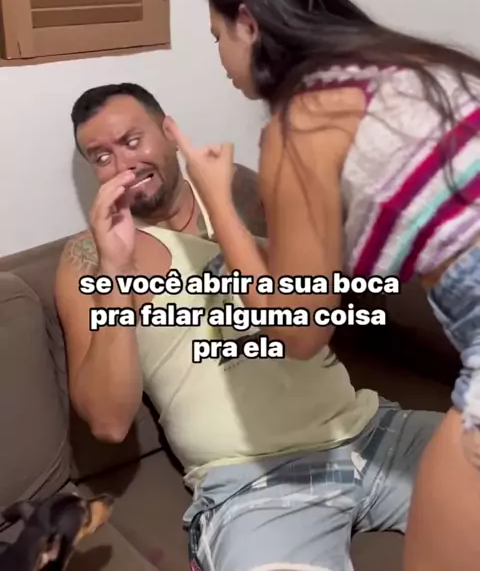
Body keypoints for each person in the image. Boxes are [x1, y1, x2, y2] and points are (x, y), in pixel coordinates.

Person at [165, 0, 480, 571]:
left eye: (217, 36)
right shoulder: (412, 66)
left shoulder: (302, 120)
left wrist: (218, 199)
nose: (220, 58)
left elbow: (301, 330)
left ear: (248, 24)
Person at [54, 82, 440, 571]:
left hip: (371, 431)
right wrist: (115, 270)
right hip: (253, 484)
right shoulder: (88, 256)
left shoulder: (238, 191)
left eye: (133, 141)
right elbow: (108, 423)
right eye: (102, 156)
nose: (123, 165)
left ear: (169, 131)